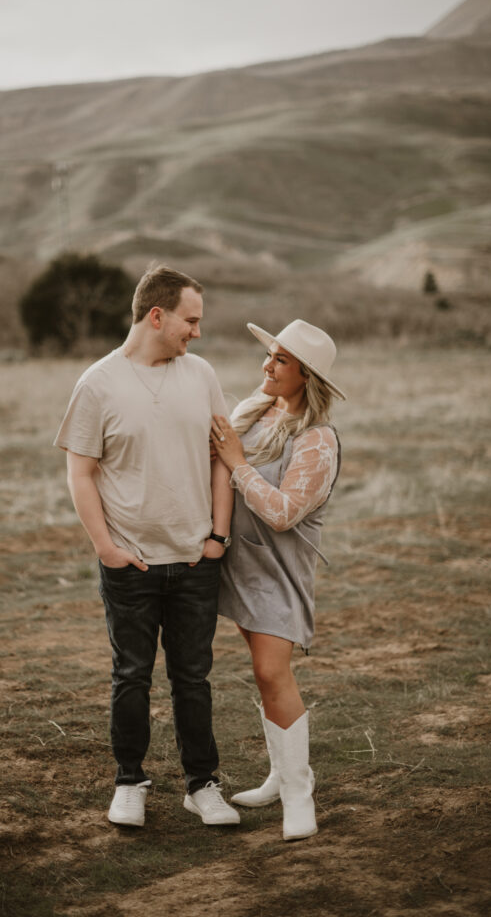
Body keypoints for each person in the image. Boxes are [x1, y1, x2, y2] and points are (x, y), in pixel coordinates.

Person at [54, 264, 239, 829]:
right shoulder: (97, 383)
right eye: (191, 320)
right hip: (130, 563)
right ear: (156, 316)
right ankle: (129, 780)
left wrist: (217, 537)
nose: (197, 333)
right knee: (131, 676)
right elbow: (80, 474)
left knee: (193, 678)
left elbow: (222, 459)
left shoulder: (201, 374)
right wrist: (107, 548)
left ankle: (201, 784)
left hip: (193, 560)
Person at [210, 319, 345, 841]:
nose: (267, 364)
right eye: (269, 354)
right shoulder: (254, 412)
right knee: (262, 672)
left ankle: (298, 793)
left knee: (273, 672)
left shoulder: (318, 440)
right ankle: (278, 774)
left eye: (280, 360)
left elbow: (284, 513)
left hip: (278, 572)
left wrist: (237, 463)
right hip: (238, 564)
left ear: (305, 376)